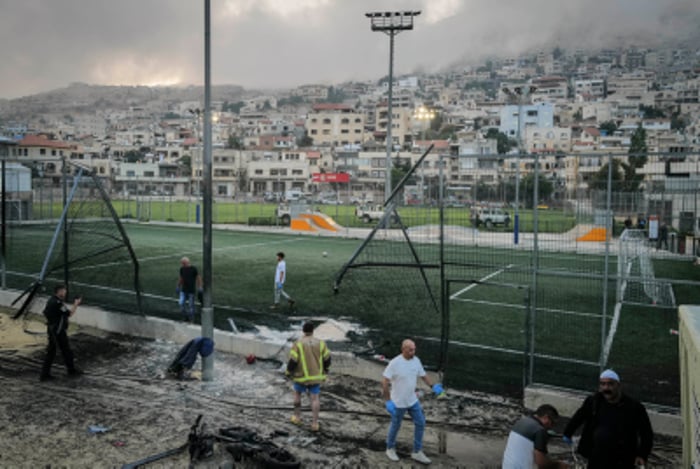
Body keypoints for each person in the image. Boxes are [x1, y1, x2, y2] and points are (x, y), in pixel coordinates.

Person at [563, 369, 653, 468]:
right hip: (596, 455)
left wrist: (642, 455)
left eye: (610, 384)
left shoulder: (634, 407)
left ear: (618, 385)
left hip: (622, 458)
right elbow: (579, 417)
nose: (606, 388)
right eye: (603, 384)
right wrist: (568, 433)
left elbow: (646, 433)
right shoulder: (594, 402)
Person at [382, 339, 445, 465]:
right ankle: (390, 448)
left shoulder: (416, 361)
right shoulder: (395, 363)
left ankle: (417, 451)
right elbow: (384, 381)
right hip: (398, 402)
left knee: (420, 422)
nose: (413, 352)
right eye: (410, 350)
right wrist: (388, 401)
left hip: (412, 400)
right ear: (403, 349)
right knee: (396, 425)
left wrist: (433, 386)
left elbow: (423, 375)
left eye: (414, 349)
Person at [286, 321, 331, 432]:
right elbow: (327, 359)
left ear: (303, 330)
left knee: (297, 395)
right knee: (315, 399)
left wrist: (288, 372)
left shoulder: (298, 343)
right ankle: (315, 424)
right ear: (313, 330)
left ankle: (297, 417)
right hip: (316, 377)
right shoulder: (321, 343)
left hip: (300, 377)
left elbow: (293, 360)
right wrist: (325, 370)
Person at [40, 284, 84, 381]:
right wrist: (76, 303)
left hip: (54, 330)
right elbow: (69, 314)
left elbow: (45, 312)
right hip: (57, 331)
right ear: (59, 291)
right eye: (64, 290)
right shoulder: (57, 303)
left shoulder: (52, 300)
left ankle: (70, 370)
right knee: (55, 352)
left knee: (63, 350)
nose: (65, 292)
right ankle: (45, 375)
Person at [502, 404, 568, 469]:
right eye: (552, 423)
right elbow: (541, 463)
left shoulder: (522, 421)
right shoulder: (540, 431)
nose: (551, 427)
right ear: (546, 417)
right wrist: (558, 465)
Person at [178, 256, 202, 322]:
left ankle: (191, 318)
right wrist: (178, 286)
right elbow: (181, 278)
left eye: (183, 263)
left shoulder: (193, 269)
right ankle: (184, 317)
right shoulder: (182, 269)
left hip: (191, 290)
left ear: (186, 262)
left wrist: (200, 287)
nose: (182, 264)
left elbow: (198, 278)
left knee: (191, 305)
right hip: (183, 290)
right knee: (181, 304)